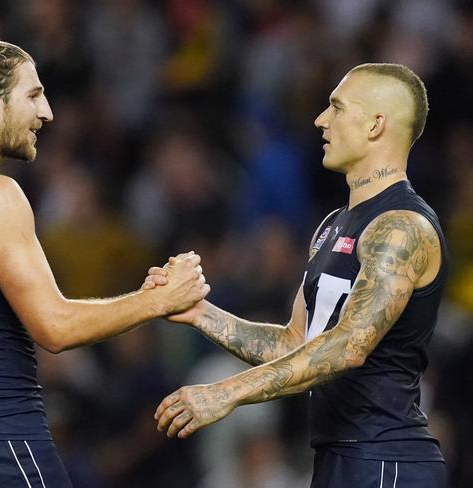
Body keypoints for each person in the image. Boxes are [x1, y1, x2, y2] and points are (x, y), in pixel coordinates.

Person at [0, 39, 209, 488]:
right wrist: (160, 300)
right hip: (0, 441)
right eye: (32, 95)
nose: (47, 112)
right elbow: (54, 326)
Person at [146, 63, 448, 487]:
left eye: (337, 108)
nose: (320, 120)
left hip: (387, 460)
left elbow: (347, 347)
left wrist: (226, 392)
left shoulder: (401, 228)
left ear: (376, 124)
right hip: (338, 458)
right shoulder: (332, 226)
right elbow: (295, 343)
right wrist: (198, 312)